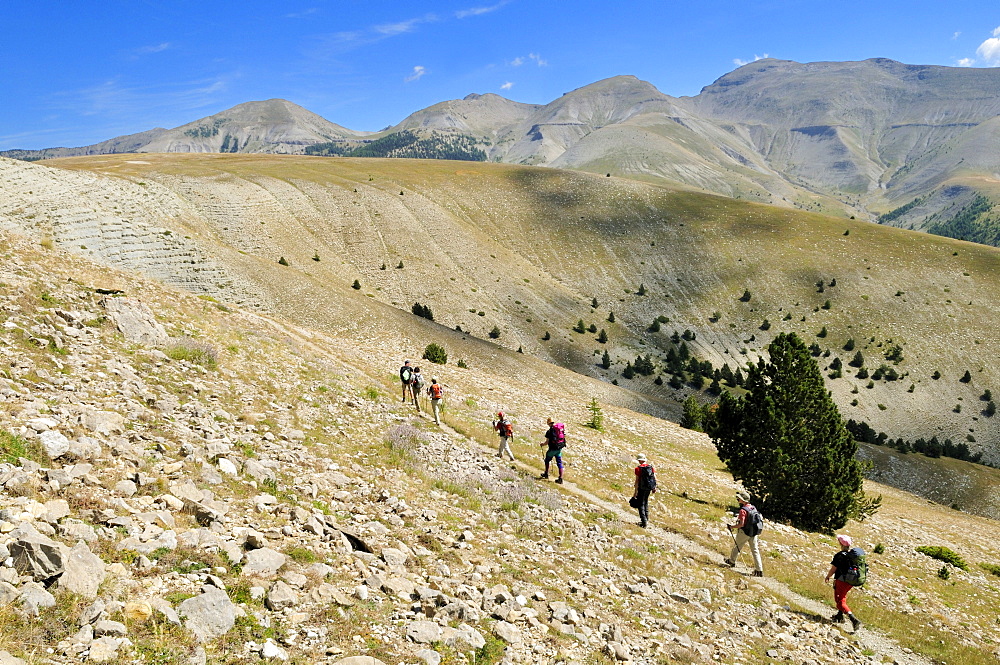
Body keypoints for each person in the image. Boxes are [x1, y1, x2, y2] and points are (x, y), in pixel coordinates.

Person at [825, 535, 863, 629]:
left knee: (839, 601)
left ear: (841, 544)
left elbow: (834, 568)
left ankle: (854, 620)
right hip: (850, 581)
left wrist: (828, 576)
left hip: (842, 580)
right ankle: (839, 616)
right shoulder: (851, 556)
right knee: (843, 597)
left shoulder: (840, 555)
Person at [725, 490, 764, 577]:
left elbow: (741, 524)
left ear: (743, 500)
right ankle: (759, 570)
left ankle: (731, 561)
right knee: (755, 550)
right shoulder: (753, 507)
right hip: (753, 532)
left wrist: (731, 527)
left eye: (739, 499)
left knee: (737, 546)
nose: (738, 499)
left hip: (744, 532)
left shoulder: (743, 510)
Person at [631, 454, 656, 527]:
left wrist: (635, 492)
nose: (638, 461)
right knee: (646, 502)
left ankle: (644, 522)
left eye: (639, 460)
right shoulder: (651, 468)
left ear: (640, 460)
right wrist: (654, 487)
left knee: (640, 504)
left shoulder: (638, 469)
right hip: (649, 488)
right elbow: (654, 478)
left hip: (641, 488)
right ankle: (646, 519)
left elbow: (637, 481)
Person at [539, 417, 565, 484]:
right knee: (559, 463)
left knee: (547, 460)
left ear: (548, 423)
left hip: (552, 449)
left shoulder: (549, 431)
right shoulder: (558, 430)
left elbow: (547, 442)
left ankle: (546, 474)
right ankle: (560, 478)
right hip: (559, 449)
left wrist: (542, 444)